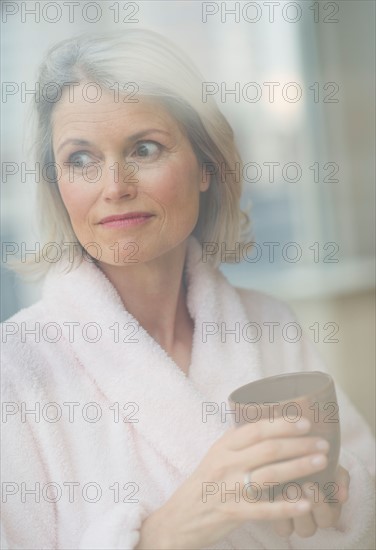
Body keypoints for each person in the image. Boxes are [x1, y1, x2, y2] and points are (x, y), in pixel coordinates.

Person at [1, 29, 374, 550]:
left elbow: (363, 500)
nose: (114, 185)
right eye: (80, 160)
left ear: (205, 166)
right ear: (56, 185)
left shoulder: (271, 326)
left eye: (144, 148)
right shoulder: (15, 369)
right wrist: (168, 529)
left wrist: (340, 497)